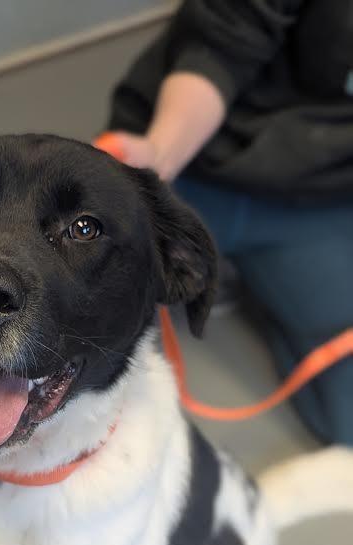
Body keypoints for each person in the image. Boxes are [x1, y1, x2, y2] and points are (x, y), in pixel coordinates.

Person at [105, 0, 353, 446]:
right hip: (186, 161)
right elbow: (220, 43)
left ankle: (258, 286)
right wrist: (159, 156)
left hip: (317, 198)